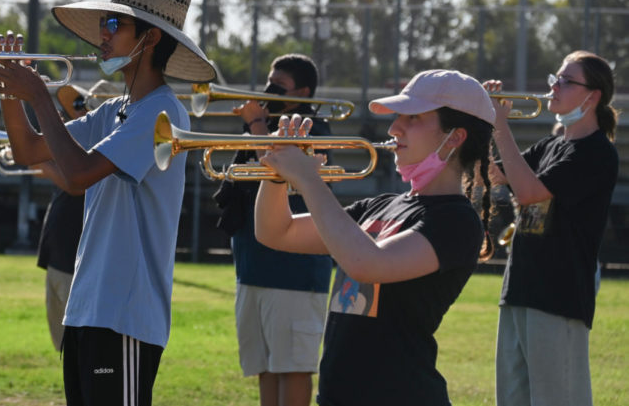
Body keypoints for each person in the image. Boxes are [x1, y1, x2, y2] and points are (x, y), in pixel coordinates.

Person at [0, 0, 215, 406]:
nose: (102, 36)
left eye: (114, 25)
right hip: (88, 309)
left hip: (125, 317)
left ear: (149, 39)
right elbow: (29, 150)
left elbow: (76, 175)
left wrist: (38, 96)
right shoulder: (115, 110)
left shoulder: (162, 113)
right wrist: (8, 90)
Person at [254, 69, 496, 406]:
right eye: (398, 117)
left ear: (455, 137)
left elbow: (368, 263)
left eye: (413, 118)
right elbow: (276, 232)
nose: (395, 128)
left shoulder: (457, 221)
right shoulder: (379, 206)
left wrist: (309, 180)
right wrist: (277, 176)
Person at [485, 51, 618, 406]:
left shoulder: (596, 152)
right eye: (554, 79)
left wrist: (501, 126)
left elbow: (529, 194)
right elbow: (498, 174)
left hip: (558, 295)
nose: (554, 87)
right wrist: (482, 116)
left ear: (592, 97)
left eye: (566, 81)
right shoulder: (551, 145)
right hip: (519, 289)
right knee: (513, 400)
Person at [213, 54, 333, 406]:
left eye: (278, 86)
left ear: (303, 92)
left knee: (293, 368)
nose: (268, 91)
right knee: (264, 366)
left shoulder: (316, 130)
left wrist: (255, 126)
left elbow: (280, 163)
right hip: (252, 269)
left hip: (294, 274)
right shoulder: (260, 125)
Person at [36, 79, 119, 351]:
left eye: (84, 105)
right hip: (58, 259)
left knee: (81, 350)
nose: (77, 110)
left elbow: (76, 186)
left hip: (77, 263)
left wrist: (43, 162)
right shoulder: (78, 150)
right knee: (64, 350)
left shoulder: (102, 152)